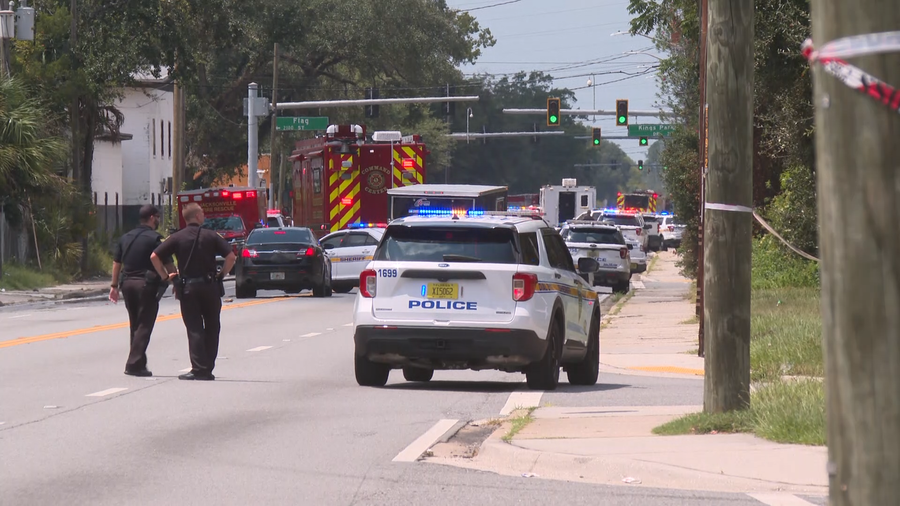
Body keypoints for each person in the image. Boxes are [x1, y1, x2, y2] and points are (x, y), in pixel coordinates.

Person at [151, 203, 236, 381]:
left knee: (194, 328)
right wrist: (221, 275)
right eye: (202, 213)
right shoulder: (212, 236)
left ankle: (199, 368)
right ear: (197, 216)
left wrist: (167, 277)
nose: (204, 215)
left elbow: (154, 256)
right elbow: (231, 257)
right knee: (213, 326)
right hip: (210, 286)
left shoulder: (176, 237)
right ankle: (208, 367)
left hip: (188, 288)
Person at [109, 205, 175, 377]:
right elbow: (167, 263)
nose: (159, 221)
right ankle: (133, 364)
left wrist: (114, 286)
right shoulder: (155, 239)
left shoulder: (125, 237)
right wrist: (173, 279)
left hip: (127, 284)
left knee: (136, 324)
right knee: (145, 324)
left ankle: (139, 363)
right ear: (153, 218)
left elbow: (116, 263)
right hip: (145, 285)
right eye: (158, 217)